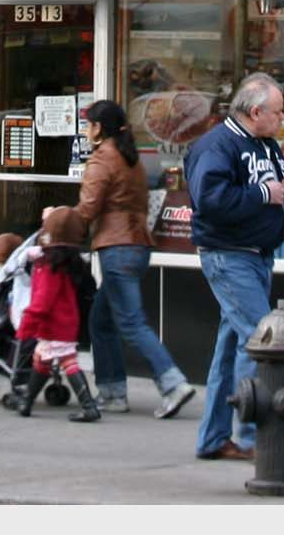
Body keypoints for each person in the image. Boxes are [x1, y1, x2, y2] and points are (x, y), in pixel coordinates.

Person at [182, 74, 284, 462]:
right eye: (278, 112)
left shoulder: (265, 146)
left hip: (256, 256)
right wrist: (263, 194)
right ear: (256, 112)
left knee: (232, 348)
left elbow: (283, 193)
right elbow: (211, 200)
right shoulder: (216, 146)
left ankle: (214, 438)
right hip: (229, 255)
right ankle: (254, 436)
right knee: (262, 341)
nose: (282, 119)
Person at [72, 99, 196, 418]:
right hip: (137, 246)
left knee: (130, 321)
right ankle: (112, 392)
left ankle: (173, 383)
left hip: (117, 248)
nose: (86, 130)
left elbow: (88, 207)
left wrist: (58, 221)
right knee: (101, 320)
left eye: (88, 124)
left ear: (99, 128)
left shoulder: (103, 159)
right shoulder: (131, 159)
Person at [6, 206, 105, 422]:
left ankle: (88, 406)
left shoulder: (49, 267)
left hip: (53, 324)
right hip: (65, 322)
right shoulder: (68, 263)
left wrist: (27, 325)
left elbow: (42, 302)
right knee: (41, 360)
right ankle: (27, 403)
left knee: (67, 362)